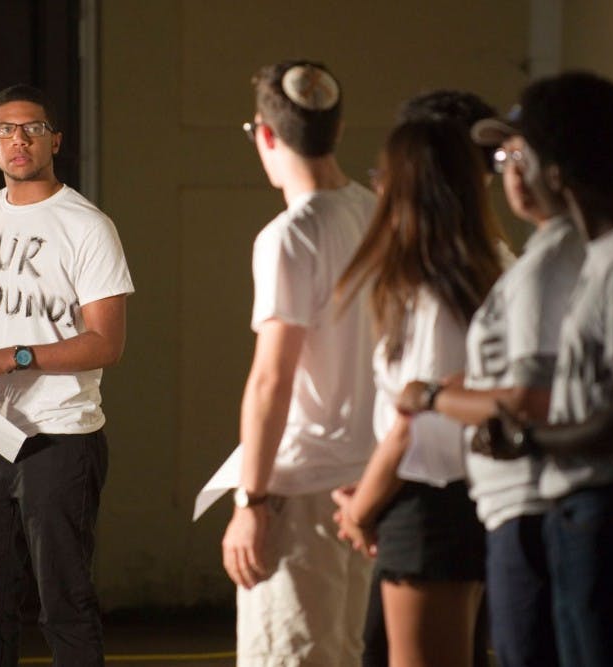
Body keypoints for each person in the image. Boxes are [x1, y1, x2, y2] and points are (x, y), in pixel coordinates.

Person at [485, 72, 613, 667]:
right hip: (591, 511)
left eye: (523, 158)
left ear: (555, 175)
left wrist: (528, 438)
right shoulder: (608, 258)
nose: (514, 172)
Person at [0, 84, 133, 666]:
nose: (18, 140)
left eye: (32, 128)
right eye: (5, 131)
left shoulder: (87, 226)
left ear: (55, 141)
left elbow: (106, 343)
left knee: (65, 607)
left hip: (60, 437)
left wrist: (12, 356)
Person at [397, 98, 587, 666]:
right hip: (504, 501)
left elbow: (529, 400)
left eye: (521, 154)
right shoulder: (530, 262)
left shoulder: (539, 268)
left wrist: (436, 396)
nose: (510, 169)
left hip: (523, 503)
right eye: (504, 155)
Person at [220, 60, 378, 666]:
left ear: (265, 133)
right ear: (336, 131)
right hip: (363, 485)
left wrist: (251, 503)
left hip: (301, 487)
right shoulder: (376, 215)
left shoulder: (290, 235)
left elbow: (271, 380)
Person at [333, 117, 505, 667]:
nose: (377, 187)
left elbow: (415, 421)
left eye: (383, 175)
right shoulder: (480, 270)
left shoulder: (435, 290)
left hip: (431, 507)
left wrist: (362, 507)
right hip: (435, 501)